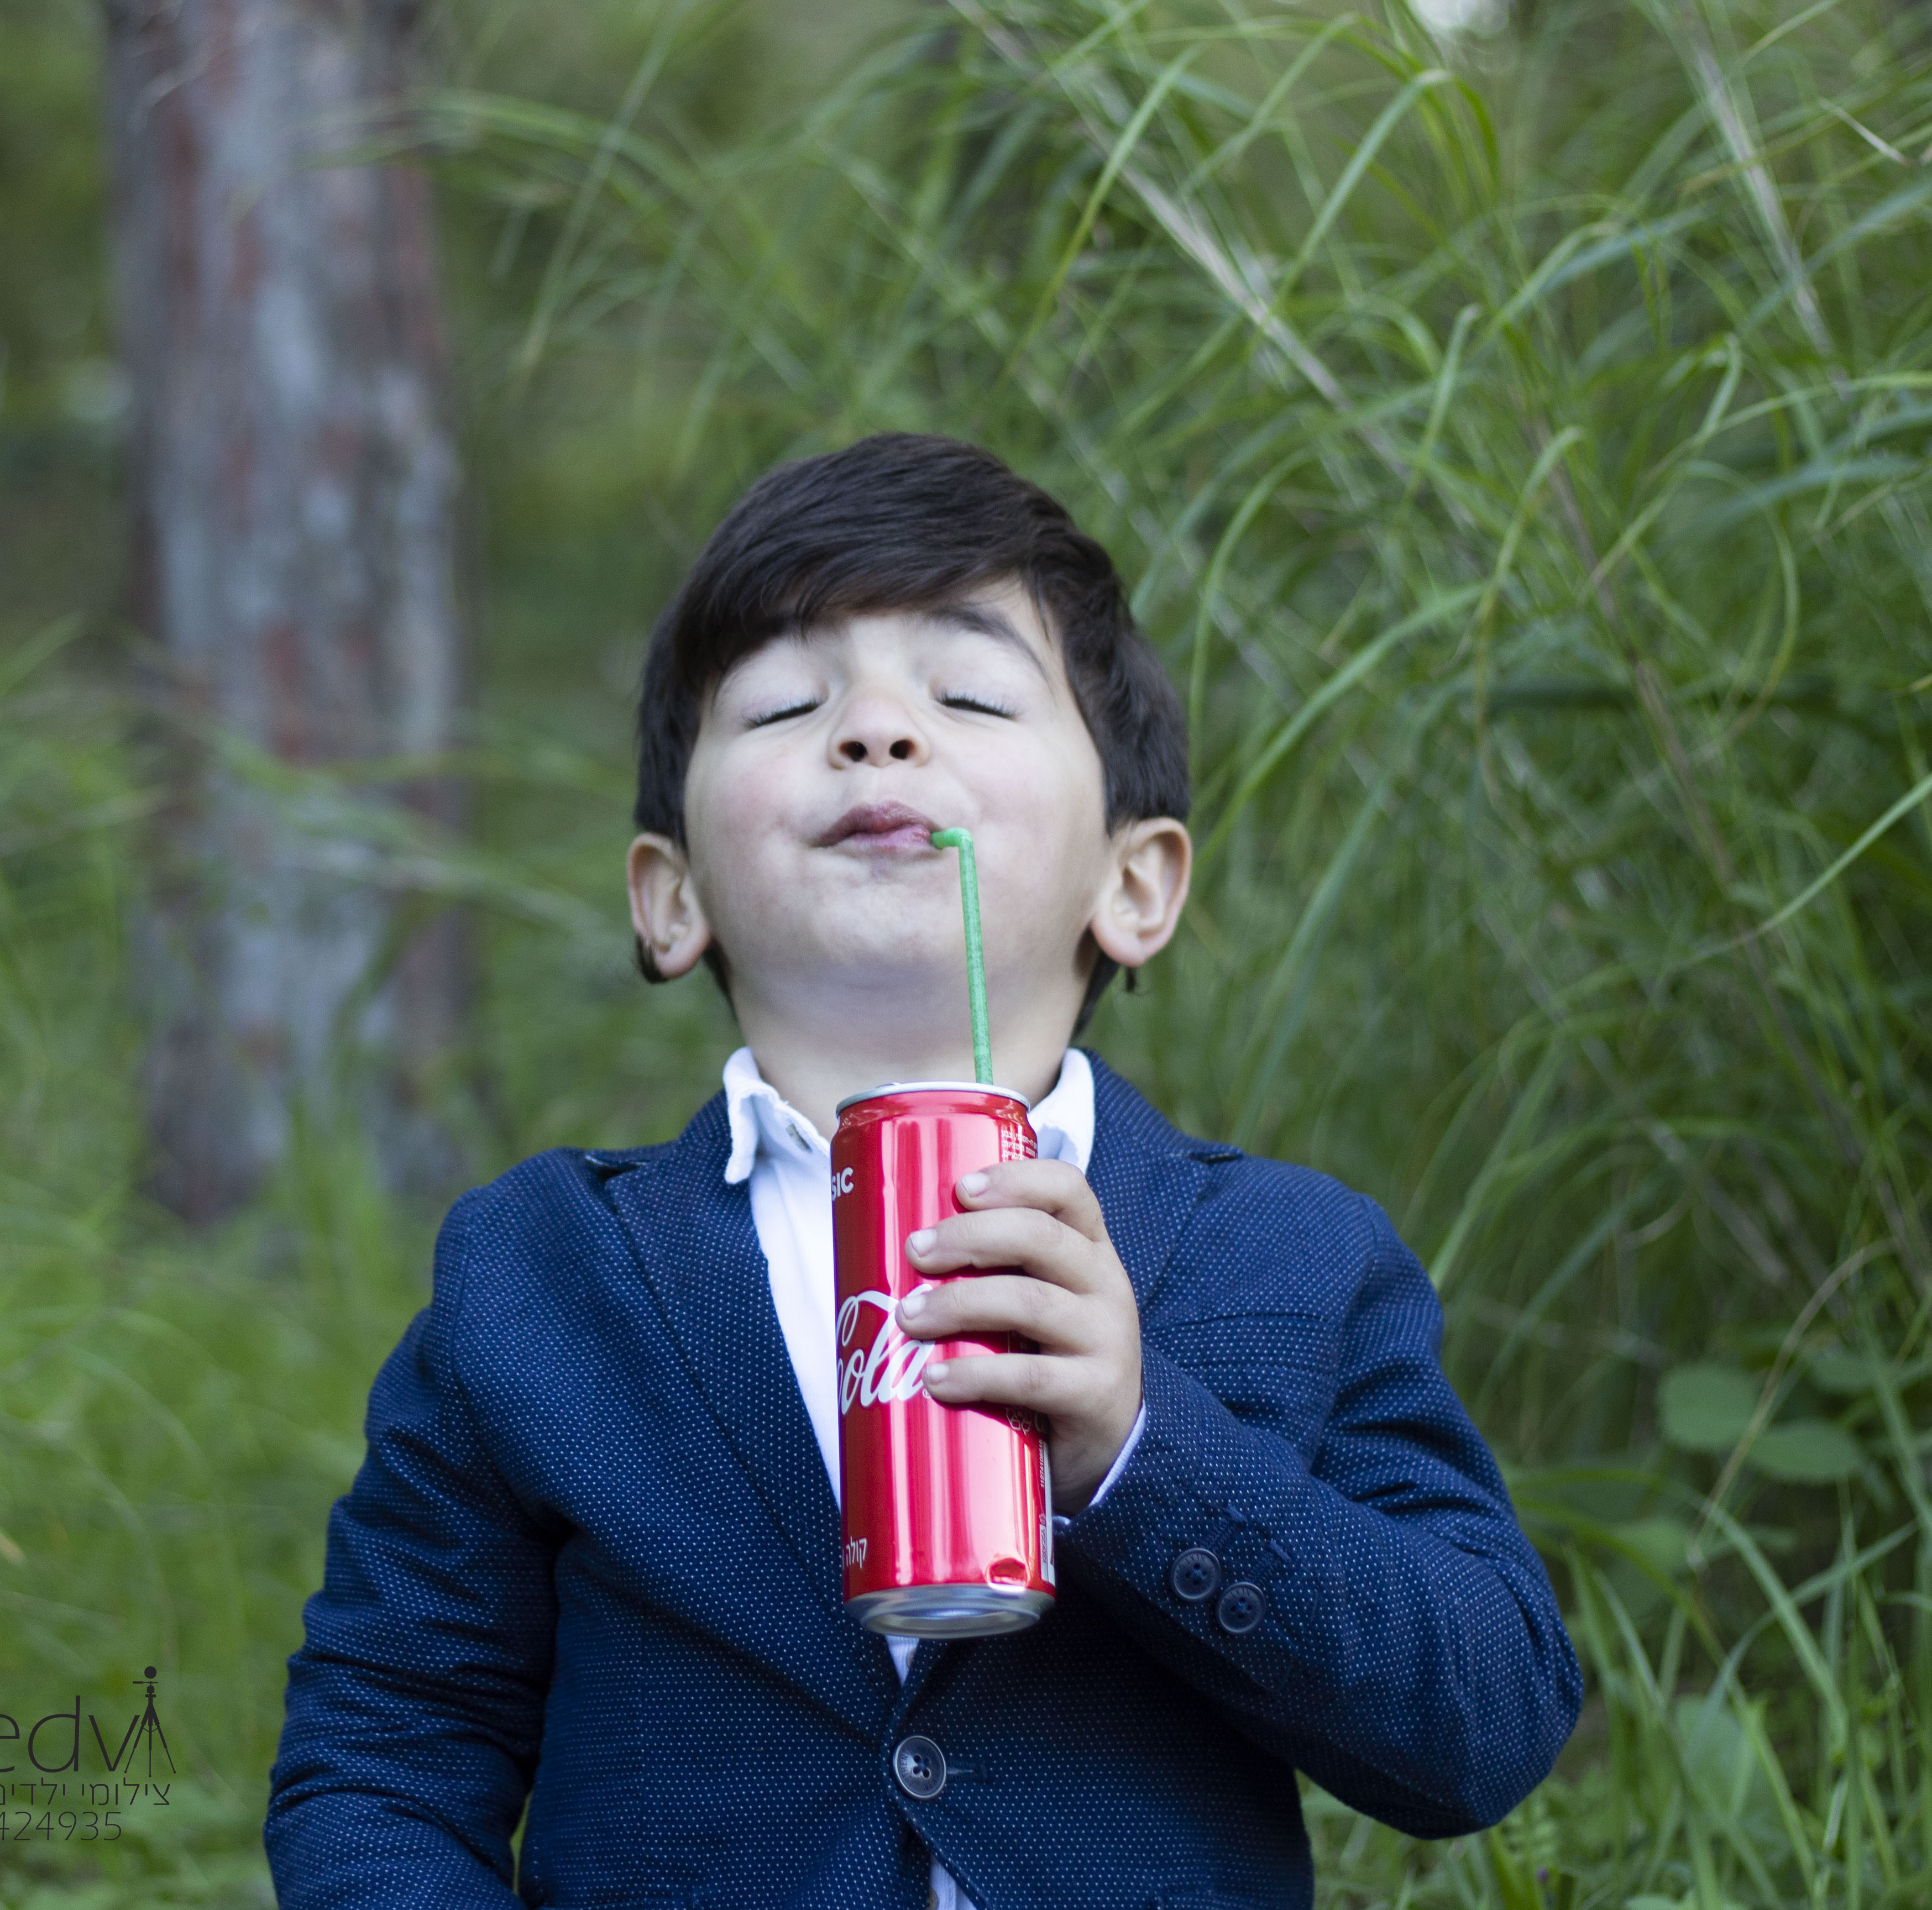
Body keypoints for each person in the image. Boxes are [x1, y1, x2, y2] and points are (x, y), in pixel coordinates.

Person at [264, 433, 1582, 1909]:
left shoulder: (1292, 1257)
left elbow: (1487, 1720)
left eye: (966, 696)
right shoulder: (541, 1275)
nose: (879, 732)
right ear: (672, 898)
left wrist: (1145, 1453)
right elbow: (387, 1752)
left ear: (1134, 884)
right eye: (783, 703)